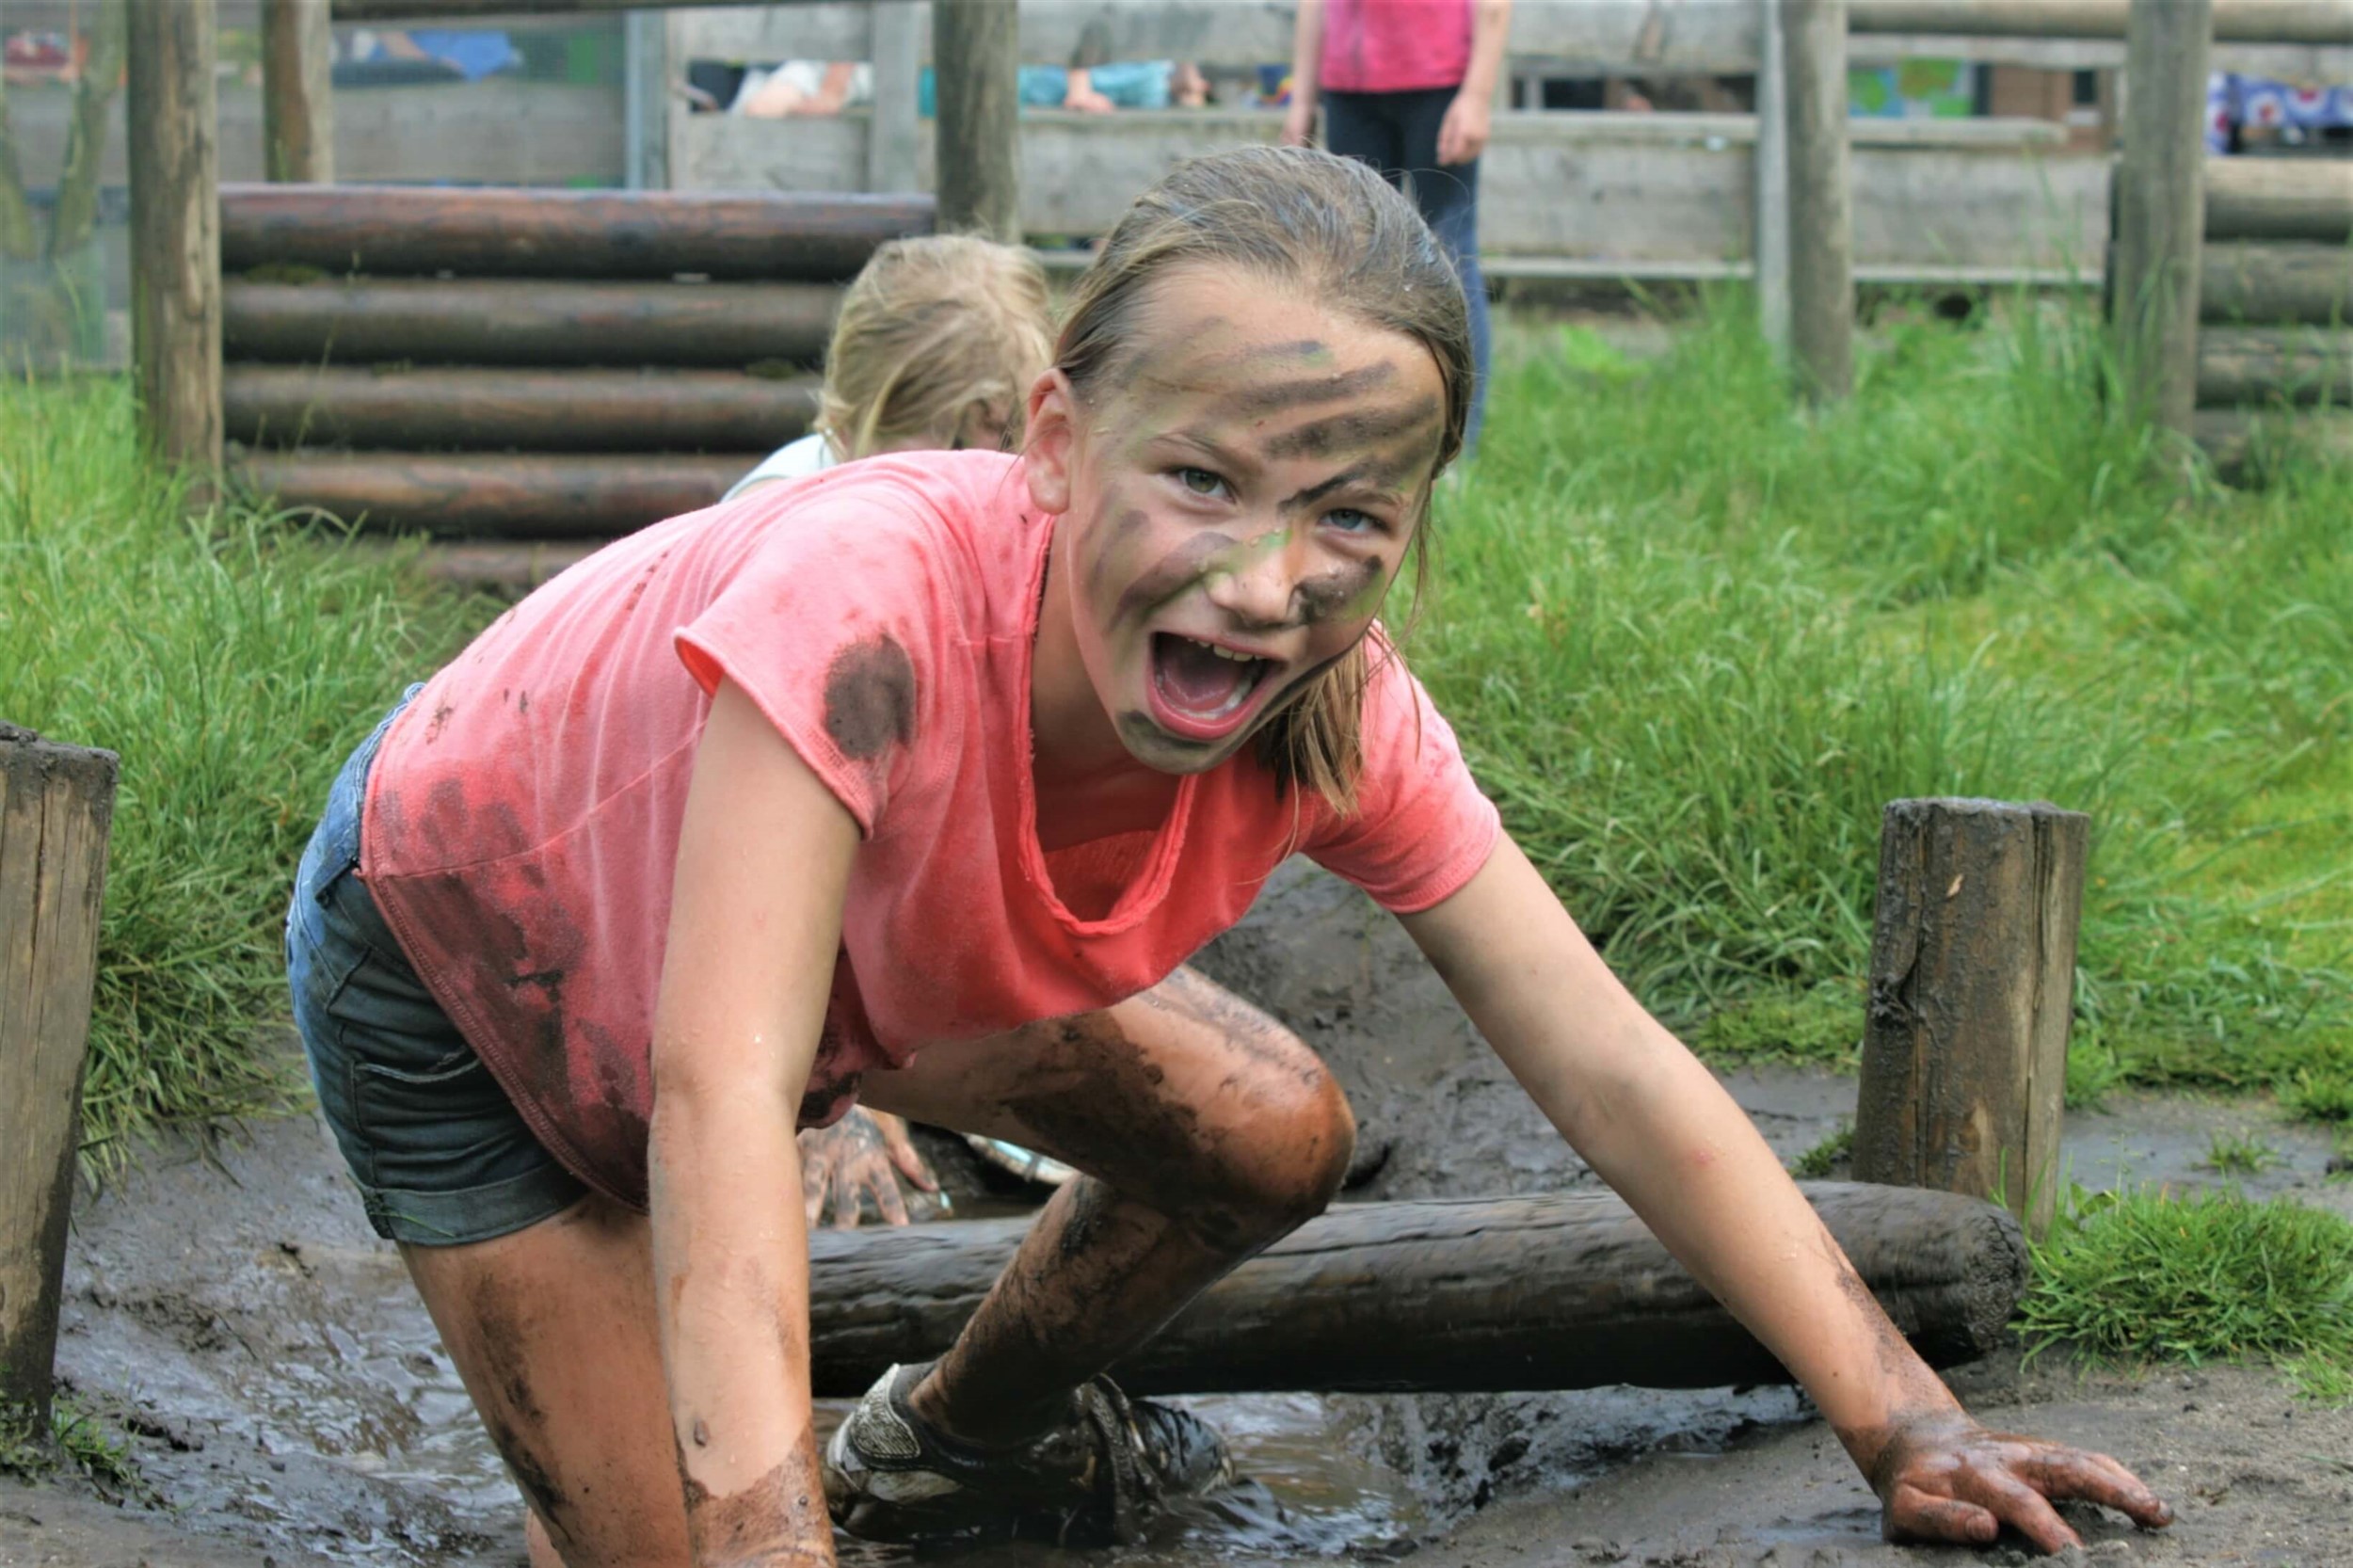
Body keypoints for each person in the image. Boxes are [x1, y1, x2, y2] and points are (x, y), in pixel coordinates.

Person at [285, 147, 2172, 1566]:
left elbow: (1605, 1059)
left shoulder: (1335, 711)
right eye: (1199, 480)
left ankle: (947, 1440)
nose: (1265, 582)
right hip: (466, 949)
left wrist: (1901, 1417)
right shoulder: (868, 609)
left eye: (1346, 515)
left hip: (832, 969)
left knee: (1269, 1131)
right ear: (1052, 437)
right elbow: (715, 1090)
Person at [727, 232, 1068, 1222]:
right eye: (926, 478)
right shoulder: (783, 535)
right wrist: (818, 1096)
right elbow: (746, 864)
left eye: (990, 476)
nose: (958, 509)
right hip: (767, 866)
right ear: (845, 426)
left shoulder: (1030, 501)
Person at [1283, 0, 1505, 457]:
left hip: (1437, 77)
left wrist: (1477, 94)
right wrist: (1302, 98)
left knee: (1450, 249)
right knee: (1354, 252)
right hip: (1349, 85)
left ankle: (1457, 441)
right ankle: (1359, 424)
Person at [726, 233, 1053, 499]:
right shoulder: (777, 517)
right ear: (845, 430)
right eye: (951, 452)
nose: (970, 503)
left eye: (1008, 448)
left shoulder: (1034, 491)